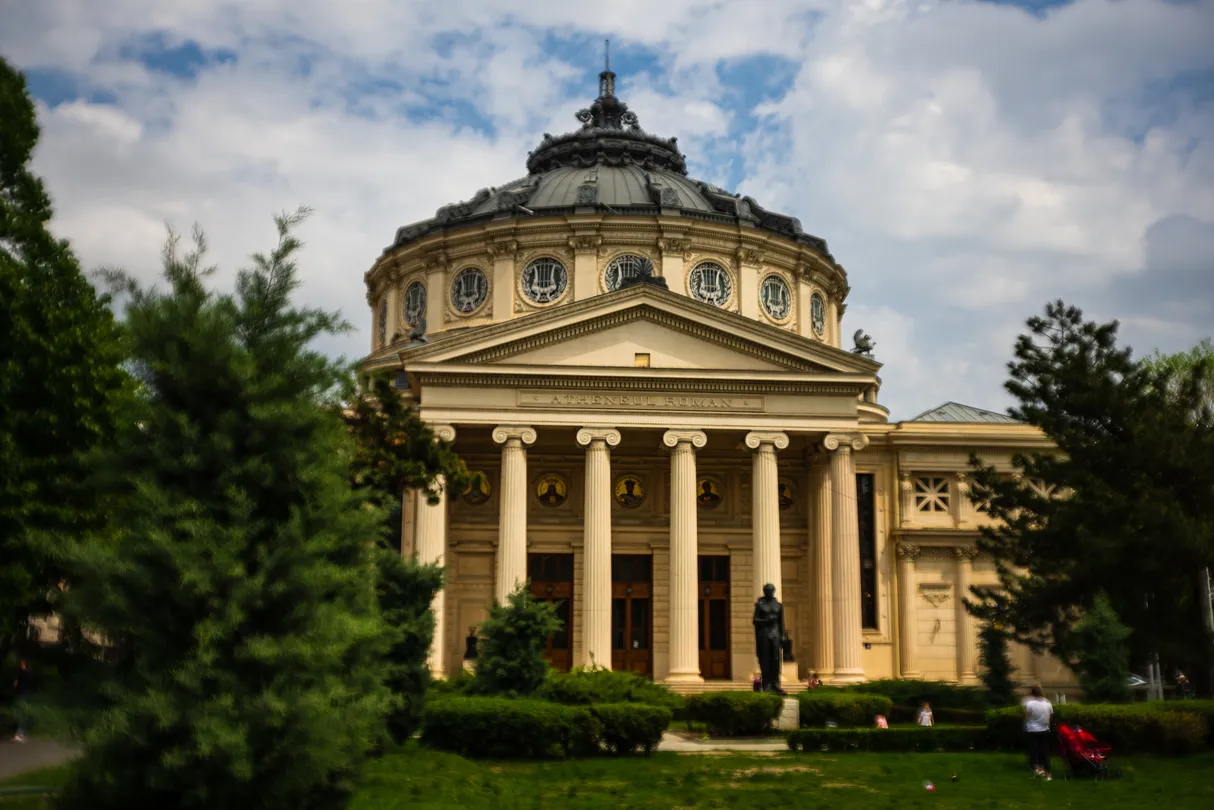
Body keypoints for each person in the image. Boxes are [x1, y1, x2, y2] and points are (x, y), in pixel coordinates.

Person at [1023, 685, 1053, 780]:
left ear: (1032, 694)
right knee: (1044, 750)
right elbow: (1050, 716)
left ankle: (1035, 768)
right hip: (1044, 729)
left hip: (1032, 729)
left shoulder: (1030, 704)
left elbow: (1027, 717)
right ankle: (1046, 768)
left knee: (1033, 750)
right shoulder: (1047, 703)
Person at [11, 658, 32, 743]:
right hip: (20, 693)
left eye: (22, 662)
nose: (21, 664)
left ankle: (20, 733)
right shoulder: (20, 672)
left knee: (22, 713)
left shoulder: (26, 672)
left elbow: (28, 680)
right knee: (20, 713)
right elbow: (16, 682)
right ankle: (20, 733)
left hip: (24, 694)